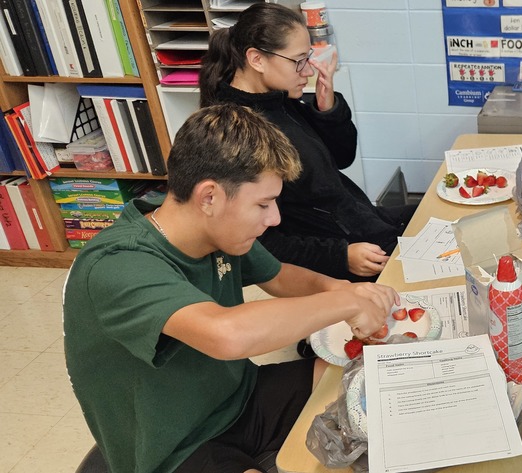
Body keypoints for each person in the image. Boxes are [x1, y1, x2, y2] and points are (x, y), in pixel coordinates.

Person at [64, 104, 399, 473]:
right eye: (263, 204)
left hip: (241, 398)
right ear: (209, 197)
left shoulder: (214, 228)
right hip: (176, 447)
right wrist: (344, 302)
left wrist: (342, 288)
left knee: (368, 378)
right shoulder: (117, 264)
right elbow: (226, 334)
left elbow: (280, 276)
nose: (274, 218)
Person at [199, 2, 417, 282]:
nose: (307, 71)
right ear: (256, 59)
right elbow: (263, 245)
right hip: (340, 253)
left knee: (444, 220)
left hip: (360, 222)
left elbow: (342, 157)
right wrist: (341, 256)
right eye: (298, 60)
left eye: (308, 58)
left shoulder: (280, 99)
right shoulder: (239, 135)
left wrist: (327, 110)